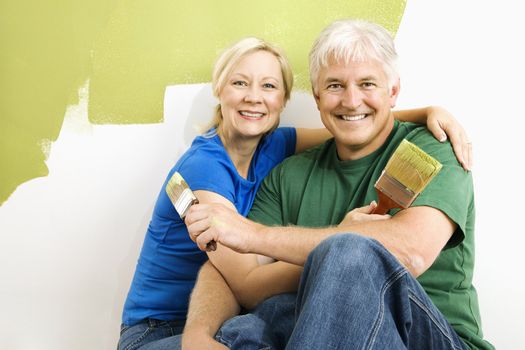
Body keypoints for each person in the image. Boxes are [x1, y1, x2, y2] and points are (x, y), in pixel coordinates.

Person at [118, 34, 472, 349]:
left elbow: (409, 251)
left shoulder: (430, 146)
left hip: (425, 334)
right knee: (267, 315)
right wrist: (198, 335)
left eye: (368, 84)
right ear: (316, 98)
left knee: (350, 252)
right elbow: (230, 273)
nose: (351, 101)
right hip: (159, 328)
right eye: (335, 86)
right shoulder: (213, 168)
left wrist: (426, 111)